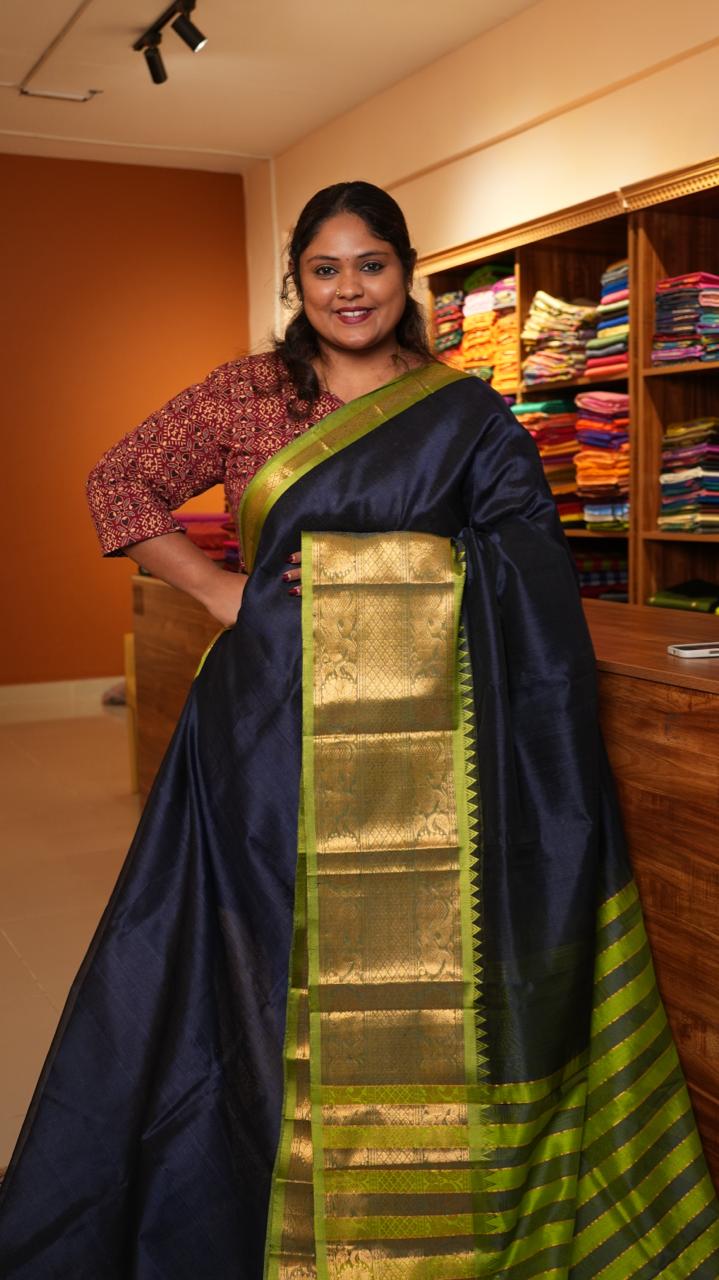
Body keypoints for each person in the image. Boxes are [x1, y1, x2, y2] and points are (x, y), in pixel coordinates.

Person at [0, 181, 717, 1279]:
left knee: (412, 966)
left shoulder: (462, 408)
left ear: (404, 272)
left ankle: (401, 1194)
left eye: (370, 264)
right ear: (296, 281)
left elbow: (528, 556)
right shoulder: (248, 393)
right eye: (324, 269)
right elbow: (118, 483)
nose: (349, 290)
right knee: (262, 953)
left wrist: (366, 574)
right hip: (265, 726)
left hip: (423, 751)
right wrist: (218, 589)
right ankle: (256, 1187)